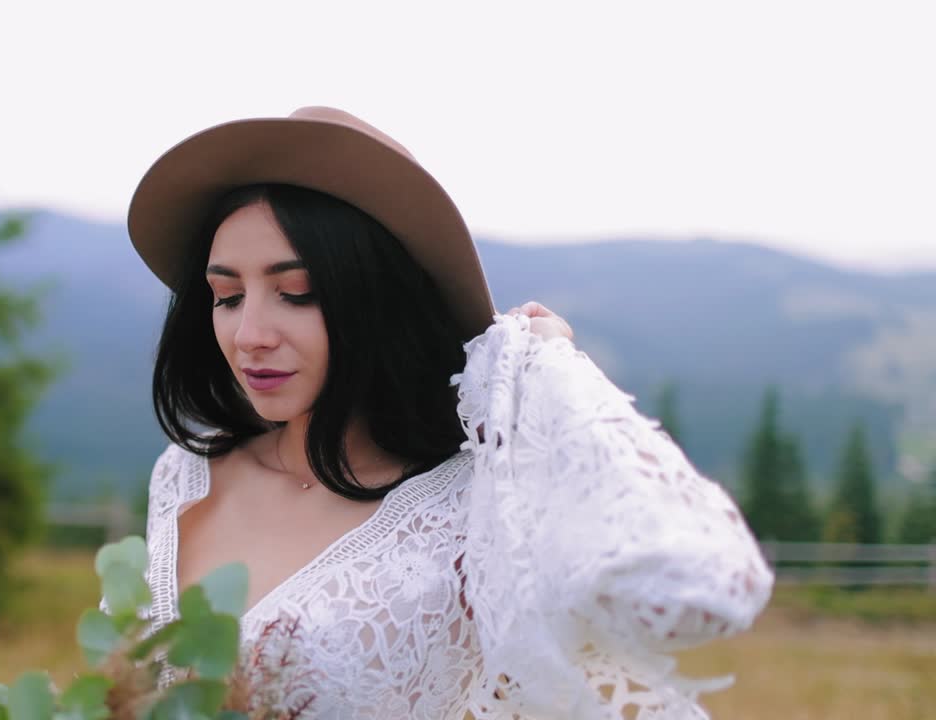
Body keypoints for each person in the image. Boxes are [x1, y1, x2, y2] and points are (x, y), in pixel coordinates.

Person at [121, 106, 773, 719]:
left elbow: (705, 582)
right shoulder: (185, 474)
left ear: (375, 300)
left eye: (296, 293)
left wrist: (553, 377)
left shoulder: (474, 506)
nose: (249, 333)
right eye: (226, 296)